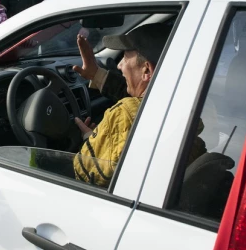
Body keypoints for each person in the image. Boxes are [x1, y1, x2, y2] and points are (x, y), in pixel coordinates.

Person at [72, 24, 173, 186]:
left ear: (146, 71)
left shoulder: (125, 113)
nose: (119, 65)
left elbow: (84, 175)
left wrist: (91, 141)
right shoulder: (177, 108)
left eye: (125, 57)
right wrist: (96, 74)